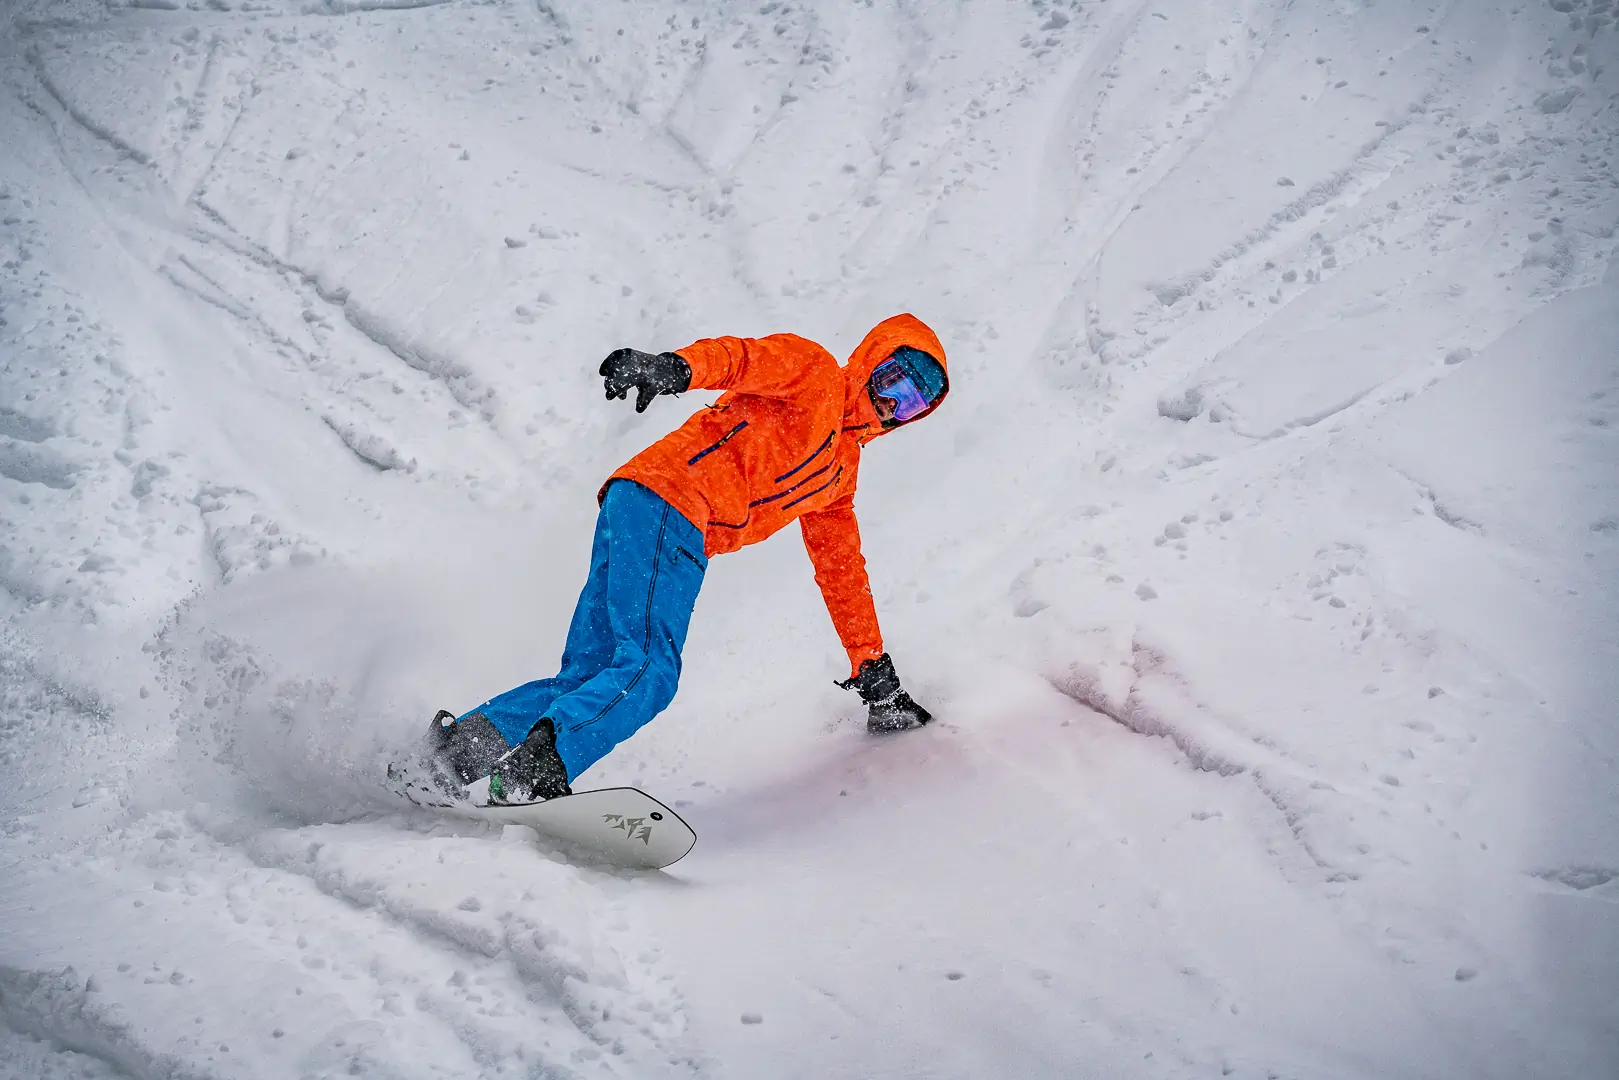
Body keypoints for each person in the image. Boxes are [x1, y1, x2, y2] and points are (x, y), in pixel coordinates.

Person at [421, 314, 949, 803]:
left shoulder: (840, 478)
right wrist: (673, 368)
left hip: (638, 504)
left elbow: (842, 570)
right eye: (892, 379)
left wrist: (872, 665)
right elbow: (741, 358)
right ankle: (534, 773)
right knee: (650, 670)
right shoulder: (816, 376)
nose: (891, 402)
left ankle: (455, 754)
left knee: (592, 674)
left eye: (910, 402)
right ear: (871, 360)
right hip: (673, 503)